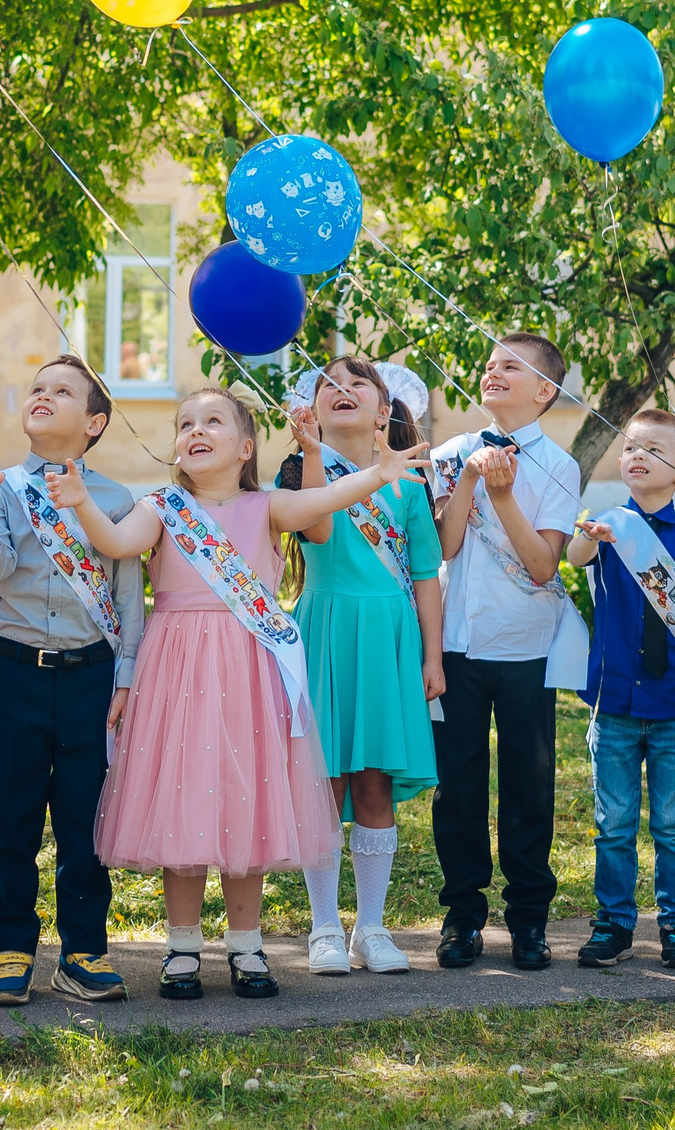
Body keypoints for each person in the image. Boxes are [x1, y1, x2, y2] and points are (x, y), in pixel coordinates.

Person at [56, 387, 430, 1001]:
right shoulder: (163, 506)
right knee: (182, 802)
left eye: (212, 422)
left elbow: (326, 499)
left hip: (247, 671)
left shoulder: (268, 506)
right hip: (177, 671)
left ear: (246, 446)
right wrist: (81, 507)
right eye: (185, 424)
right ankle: (182, 948)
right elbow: (117, 544)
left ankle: (246, 946)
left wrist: (375, 475)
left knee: (245, 803)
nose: (195, 431)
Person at [0, 355, 149, 1007]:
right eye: (36, 386)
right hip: (15, 671)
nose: (43, 393)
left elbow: (128, 600)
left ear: (94, 421)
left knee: (83, 818)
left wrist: (127, 676)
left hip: (90, 677)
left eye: (61, 390)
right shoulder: (2, 489)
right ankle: (11, 947)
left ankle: (83, 949)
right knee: (10, 815)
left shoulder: (119, 499)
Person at [277, 356, 444, 979]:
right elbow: (316, 532)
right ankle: (323, 927)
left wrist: (432, 655)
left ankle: (370, 926)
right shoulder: (298, 470)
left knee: (374, 781)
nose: (340, 389)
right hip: (326, 630)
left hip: (389, 637)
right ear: (313, 409)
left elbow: (425, 573)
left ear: (385, 409)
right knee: (327, 781)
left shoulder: (409, 483)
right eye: (328, 384)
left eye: (357, 383)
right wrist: (314, 454)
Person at [427, 333, 585, 971]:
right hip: (458, 644)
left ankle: (529, 919)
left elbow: (545, 565)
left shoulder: (560, 467)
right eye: (488, 366)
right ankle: (462, 916)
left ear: (545, 390)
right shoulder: (452, 452)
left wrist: (503, 496)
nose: (492, 374)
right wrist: (468, 480)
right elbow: (442, 545)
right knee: (457, 787)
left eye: (509, 368)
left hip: (525, 647)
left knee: (528, 785)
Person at [561, 409, 675, 972]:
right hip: (615, 704)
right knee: (614, 822)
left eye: (652, 449)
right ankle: (613, 924)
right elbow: (574, 557)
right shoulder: (610, 525)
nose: (636, 455)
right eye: (630, 446)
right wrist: (594, 536)